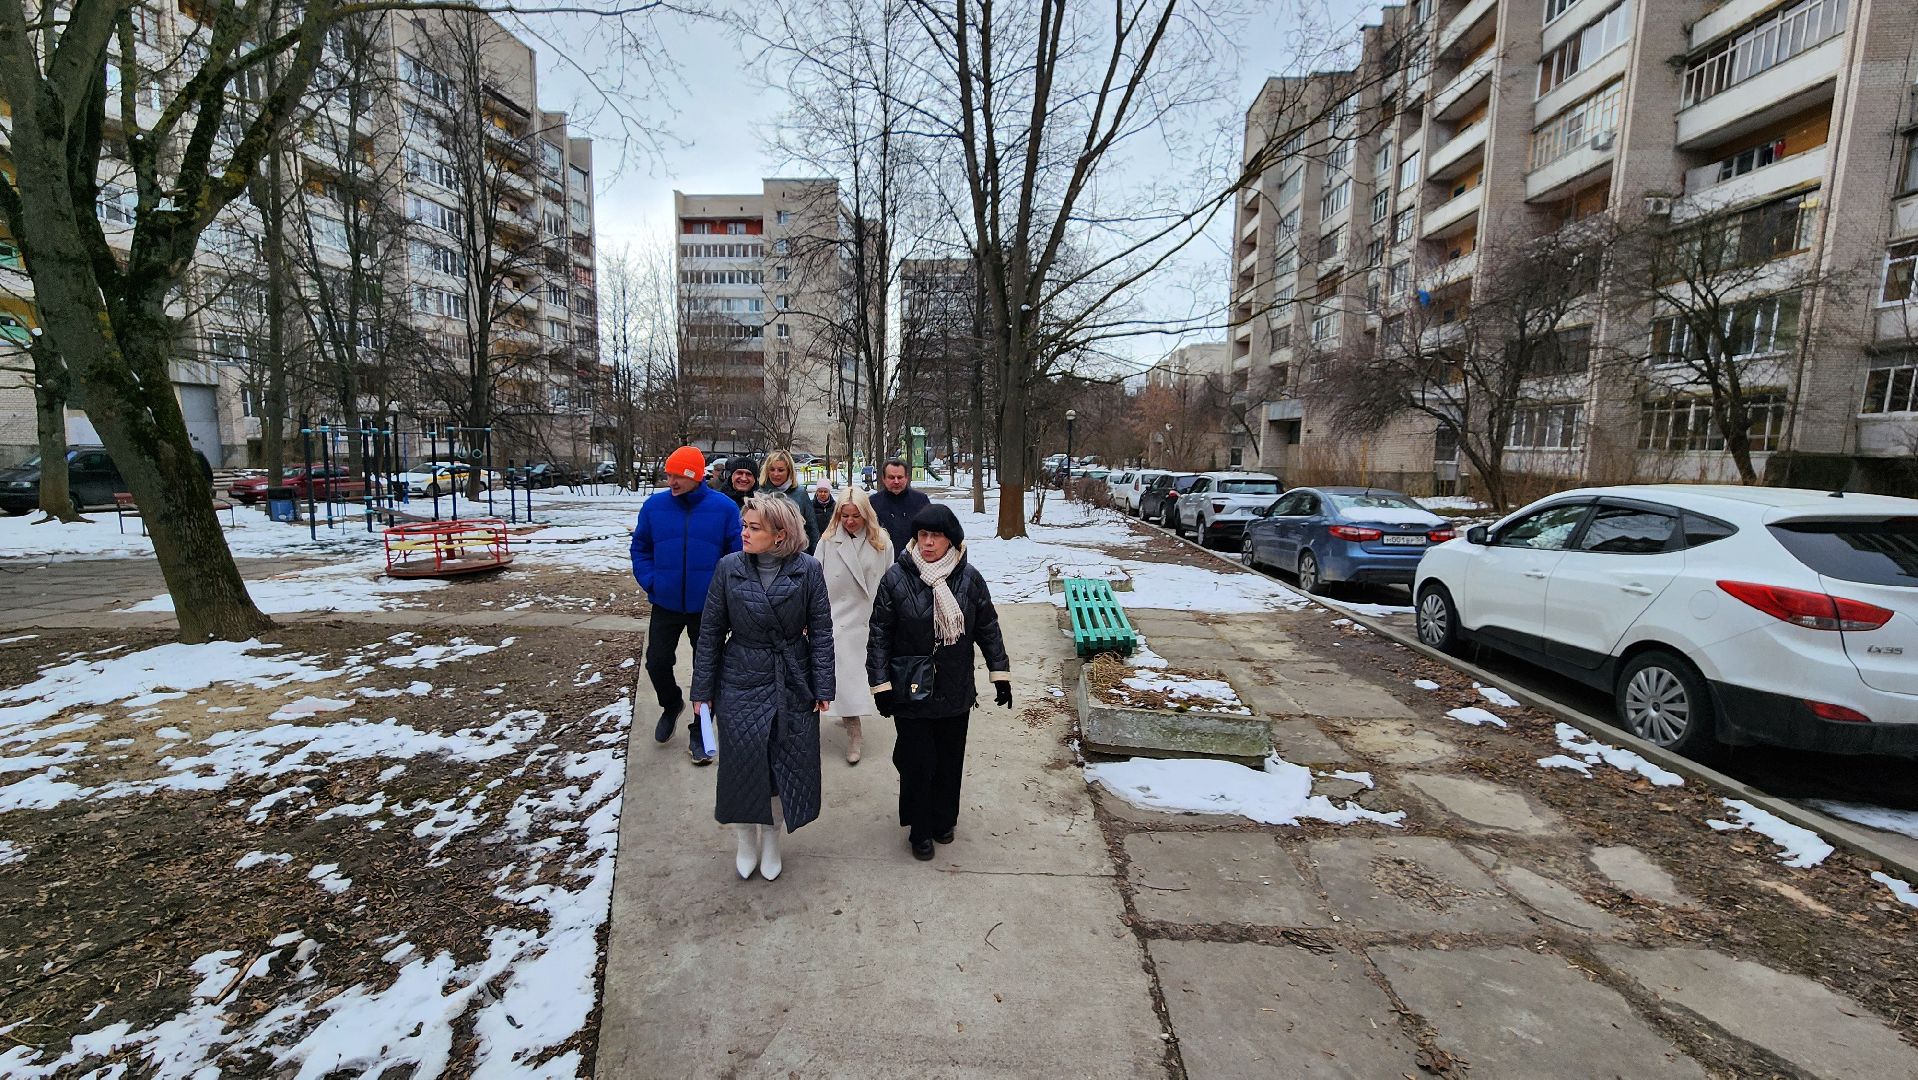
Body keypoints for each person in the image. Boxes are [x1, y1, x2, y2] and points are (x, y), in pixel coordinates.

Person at [691, 493, 835, 881]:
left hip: (792, 677)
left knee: (781, 765)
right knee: (741, 763)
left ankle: (772, 838)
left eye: (753, 527)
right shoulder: (728, 568)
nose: (744, 533)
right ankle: (744, 838)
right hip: (739, 677)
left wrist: (823, 685)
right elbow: (710, 633)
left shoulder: (808, 569)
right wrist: (701, 692)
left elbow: (821, 631)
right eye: (744, 525)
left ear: (780, 534)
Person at [867, 504, 1012, 861]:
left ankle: (944, 820)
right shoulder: (896, 578)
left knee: (949, 759)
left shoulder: (969, 579)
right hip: (911, 686)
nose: (928, 543)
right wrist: (880, 684)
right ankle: (919, 829)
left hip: (954, 685)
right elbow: (879, 635)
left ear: (952, 540)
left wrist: (1000, 673)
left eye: (936, 536)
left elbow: (987, 628)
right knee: (918, 761)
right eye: (923, 536)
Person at [629, 445, 742, 765]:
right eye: (669, 474)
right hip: (665, 602)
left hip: (708, 607)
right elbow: (640, 548)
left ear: (696, 476)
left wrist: (724, 594)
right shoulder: (654, 507)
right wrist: (651, 581)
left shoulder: (723, 508)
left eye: (679, 475)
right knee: (656, 662)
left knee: (707, 672)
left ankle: (700, 732)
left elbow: (736, 557)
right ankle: (671, 704)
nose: (672, 481)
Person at [817, 486, 891, 765]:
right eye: (844, 515)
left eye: (855, 516)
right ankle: (852, 724)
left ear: (866, 515)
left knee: (857, 676)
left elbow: (888, 579)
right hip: (836, 618)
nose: (850, 521)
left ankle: (853, 724)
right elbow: (815, 578)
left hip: (867, 619)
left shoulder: (881, 540)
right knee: (842, 674)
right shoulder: (827, 540)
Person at [757, 450, 821, 553]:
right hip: (768, 554)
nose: (775, 474)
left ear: (789, 471)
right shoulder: (760, 494)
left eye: (780, 470)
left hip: (797, 553)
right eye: (772, 469)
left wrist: (817, 557)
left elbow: (812, 528)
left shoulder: (800, 493)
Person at [869, 459, 930, 554]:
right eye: (891, 477)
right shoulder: (873, 502)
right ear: (883, 479)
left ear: (906, 478)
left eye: (900, 477)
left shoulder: (921, 501)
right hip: (882, 557)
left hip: (914, 559)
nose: (896, 481)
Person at [807, 479, 837, 552]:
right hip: (814, 544)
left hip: (831, 543)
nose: (823, 494)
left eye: (825, 491)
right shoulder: (810, 506)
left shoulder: (835, 506)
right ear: (817, 492)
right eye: (820, 491)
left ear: (829, 492)